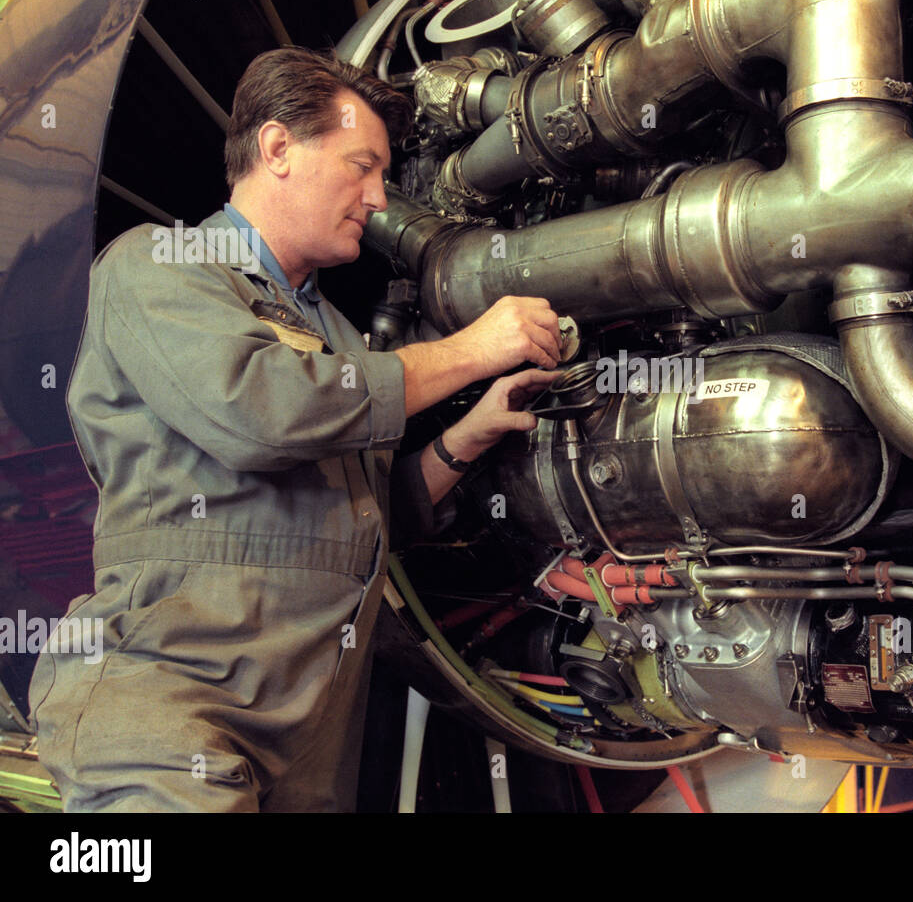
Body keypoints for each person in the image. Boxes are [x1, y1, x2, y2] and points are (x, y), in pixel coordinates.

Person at [28, 47, 562, 811]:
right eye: (361, 166)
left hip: (310, 752)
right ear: (277, 148)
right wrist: (470, 348)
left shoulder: (342, 338)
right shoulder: (161, 267)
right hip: (170, 712)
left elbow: (368, 525)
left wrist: (464, 438)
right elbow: (260, 415)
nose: (380, 198)